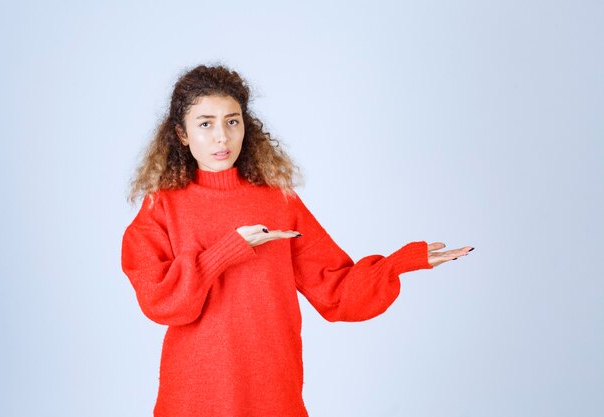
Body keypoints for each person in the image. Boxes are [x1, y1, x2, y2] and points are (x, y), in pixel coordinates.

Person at [121, 64, 474, 417]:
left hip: (272, 389)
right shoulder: (162, 207)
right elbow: (161, 302)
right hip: (195, 394)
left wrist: (400, 263)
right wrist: (227, 250)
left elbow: (334, 287)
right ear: (182, 134)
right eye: (205, 123)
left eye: (232, 121)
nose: (221, 137)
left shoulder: (278, 201)